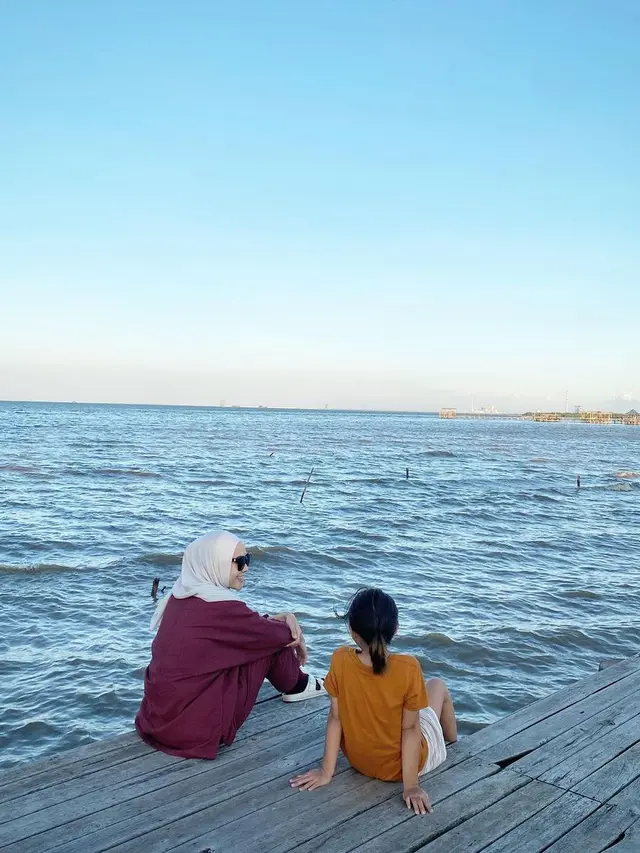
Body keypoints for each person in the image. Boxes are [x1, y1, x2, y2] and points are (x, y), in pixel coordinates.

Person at [135, 530, 325, 759]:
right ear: (214, 564)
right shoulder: (220, 609)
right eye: (240, 562)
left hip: (156, 720)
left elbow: (253, 629)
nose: (246, 568)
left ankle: (299, 683)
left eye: (248, 559)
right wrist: (291, 623)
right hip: (192, 733)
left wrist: (283, 620)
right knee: (270, 642)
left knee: (262, 633)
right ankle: (298, 685)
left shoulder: (179, 596)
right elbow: (277, 636)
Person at [290, 587, 457, 816]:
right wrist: (411, 786)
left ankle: (447, 741)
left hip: (360, 762)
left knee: (428, 698)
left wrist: (326, 771)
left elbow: (335, 718)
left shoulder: (340, 659)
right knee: (437, 686)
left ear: (352, 630)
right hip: (404, 768)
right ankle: (453, 743)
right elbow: (409, 729)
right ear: (395, 629)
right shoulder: (408, 668)